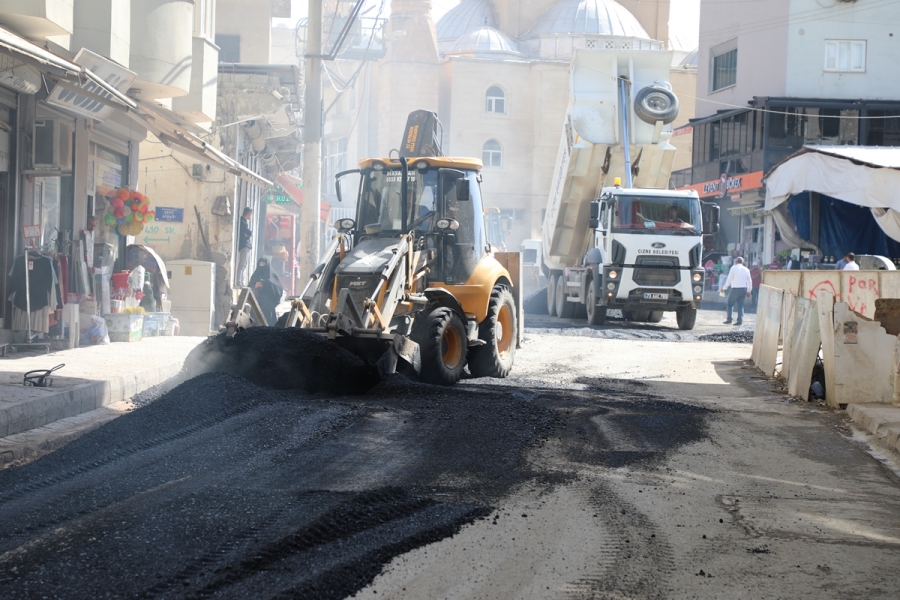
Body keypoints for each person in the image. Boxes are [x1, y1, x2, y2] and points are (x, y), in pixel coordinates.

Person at [249, 257, 284, 326]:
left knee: (268, 324)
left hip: (268, 305)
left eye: (263, 264)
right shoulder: (255, 275)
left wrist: (264, 284)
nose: (261, 266)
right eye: (260, 264)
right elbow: (249, 287)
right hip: (256, 303)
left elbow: (279, 288)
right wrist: (255, 285)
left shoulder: (272, 275)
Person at [722, 256, 752, 325]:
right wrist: (749, 291)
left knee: (730, 304)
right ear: (743, 262)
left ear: (736, 262)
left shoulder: (733, 268)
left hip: (735, 289)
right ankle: (740, 321)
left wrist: (724, 288)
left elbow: (729, 279)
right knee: (740, 306)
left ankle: (729, 319)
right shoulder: (746, 269)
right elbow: (749, 281)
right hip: (743, 289)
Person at [237, 207, 253, 286]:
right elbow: (247, 233)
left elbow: (248, 233)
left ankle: (240, 282)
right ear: (249, 214)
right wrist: (249, 233)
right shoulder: (242, 223)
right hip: (244, 246)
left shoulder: (243, 222)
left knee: (243, 265)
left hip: (244, 246)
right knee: (242, 265)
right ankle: (239, 282)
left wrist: (248, 233)